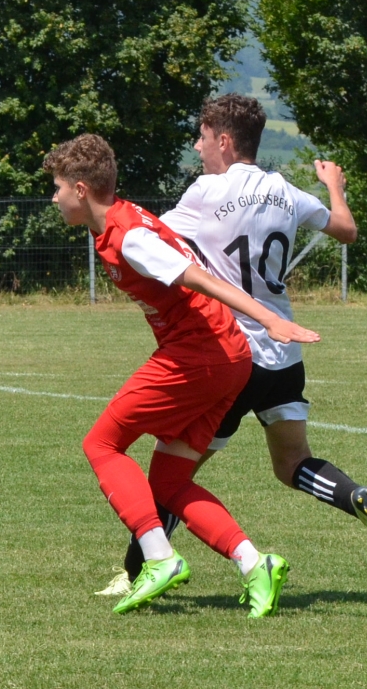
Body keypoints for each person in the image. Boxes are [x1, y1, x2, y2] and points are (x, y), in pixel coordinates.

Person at [113, 94, 367, 590]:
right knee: (293, 463)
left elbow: (149, 238)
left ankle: (135, 573)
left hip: (230, 355)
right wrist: (334, 187)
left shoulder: (206, 192)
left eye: (202, 138)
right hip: (284, 353)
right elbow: (346, 229)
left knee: (170, 476)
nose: (198, 147)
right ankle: (355, 495)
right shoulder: (285, 191)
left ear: (225, 141)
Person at [46, 133, 322, 618]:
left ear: (82, 190)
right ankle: (255, 564)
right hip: (227, 357)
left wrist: (268, 319)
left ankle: (159, 558)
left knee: (102, 444)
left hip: (202, 354)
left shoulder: (129, 236)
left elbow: (198, 278)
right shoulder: (115, 224)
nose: (55, 198)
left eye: (58, 187)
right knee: (170, 481)